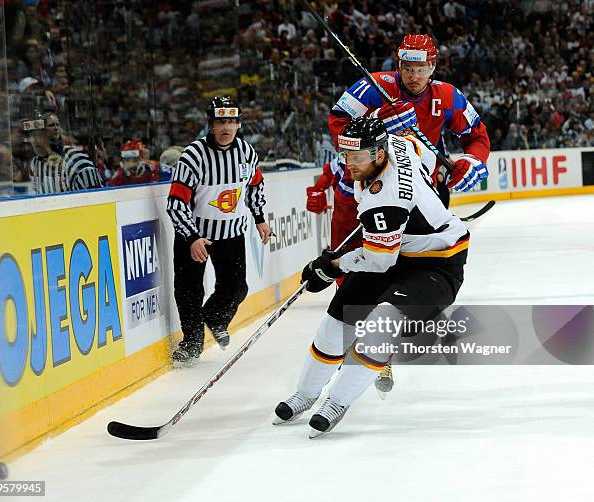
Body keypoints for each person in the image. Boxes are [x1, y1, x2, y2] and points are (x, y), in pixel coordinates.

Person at [308, 34, 489, 393]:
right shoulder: (373, 87)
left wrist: (472, 162)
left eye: (421, 68)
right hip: (358, 195)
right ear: (399, 65)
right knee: (356, 271)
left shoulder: (448, 96)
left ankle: (379, 349)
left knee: (400, 268)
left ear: (432, 68)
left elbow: (477, 137)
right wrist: (377, 118)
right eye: (407, 67)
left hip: (418, 195)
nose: (413, 75)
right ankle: (346, 346)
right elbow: (336, 123)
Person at [275, 117, 469, 437]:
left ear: (379, 155)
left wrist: (333, 265)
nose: (349, 164)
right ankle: (306, 393)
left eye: (357, 158)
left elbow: (378, 261)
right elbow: (423, 152)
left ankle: (337, 401)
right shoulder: (398, 143)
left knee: (382, 325)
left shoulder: (386, 198)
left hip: (437, 263)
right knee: (336, 322)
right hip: (400, 249)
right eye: (345, 155)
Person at [166, 96, 271, 367]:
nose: (226, 127)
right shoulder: (192, 156)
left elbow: (255, 186)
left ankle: (214, 317)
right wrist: (191, 237)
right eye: (220, 121)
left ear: (238, 124)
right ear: (210, 125)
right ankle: (191, 343)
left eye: (231, 121)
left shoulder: (247, 152)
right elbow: (176, 202)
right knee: (189, 291)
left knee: (236, 287)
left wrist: (259, 217)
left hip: (231, 233)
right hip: (195, 234)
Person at [24, 112, 103, 194]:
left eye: (57, 125)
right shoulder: (34, 163)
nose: (56, 128)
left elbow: (95, 195)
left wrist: (46, 148)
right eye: (51, 125)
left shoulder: (76, 157)